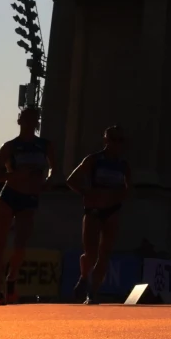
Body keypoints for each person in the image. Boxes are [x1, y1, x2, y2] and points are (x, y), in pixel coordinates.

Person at [0, 106, 56, 305]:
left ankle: (12, 278)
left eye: (33, 119)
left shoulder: (44, 145)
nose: (29, 123)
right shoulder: (9, 147)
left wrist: (47, 182)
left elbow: (54, 168)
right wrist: (15, 175)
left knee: (20, 247)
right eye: (25, 119)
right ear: (19, 121)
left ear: (37, 123)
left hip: (29, 198)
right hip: (8, 196)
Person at [66, 125, 132, 304]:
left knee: (105, 253)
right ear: (106, 140)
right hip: (93, 210)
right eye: (114, 140)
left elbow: (129, 188)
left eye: (121, 141)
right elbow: (71, 180)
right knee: (91, 253)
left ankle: (92, 293)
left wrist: (118, 197)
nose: (117, 144)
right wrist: (86, 193)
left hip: (112, 210)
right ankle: (84, 277)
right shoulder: (94, 160)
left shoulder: (123, 165)